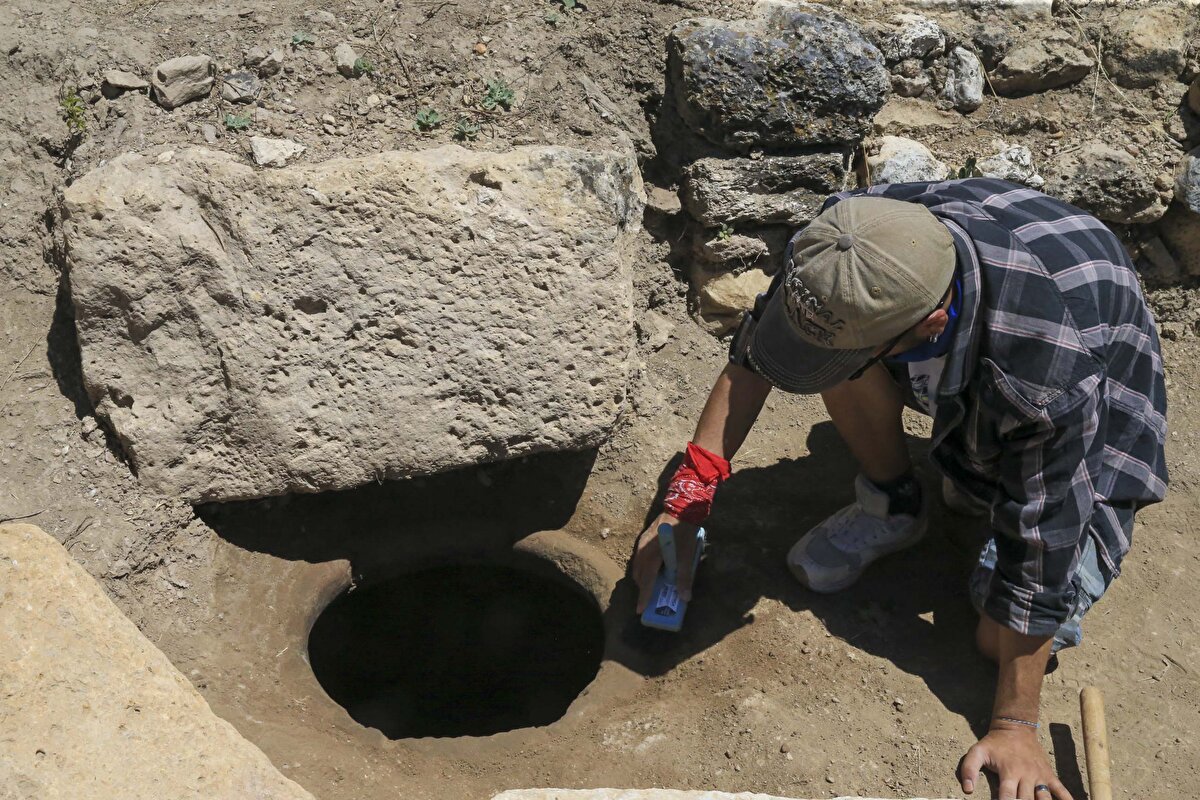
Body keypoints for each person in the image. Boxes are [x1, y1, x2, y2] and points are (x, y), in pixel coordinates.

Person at [632, 178, 1168, 800]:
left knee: (996, 635)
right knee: (837, 360)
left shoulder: (1046, 372)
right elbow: (758, 358)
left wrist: (1014, 725)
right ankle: (897, 505)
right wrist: (683, 508)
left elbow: (1045, 540)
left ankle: (988, 479)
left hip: (1094, 406)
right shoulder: (847, 247)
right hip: (975, 349)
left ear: (932, 322)